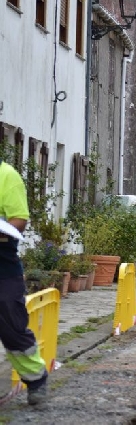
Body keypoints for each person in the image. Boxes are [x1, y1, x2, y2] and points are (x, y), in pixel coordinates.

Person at [0, 159, 48, 405]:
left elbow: (19, 219)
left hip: (2, 264)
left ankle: (36, 378)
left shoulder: (6, 175)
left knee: (11, 323)